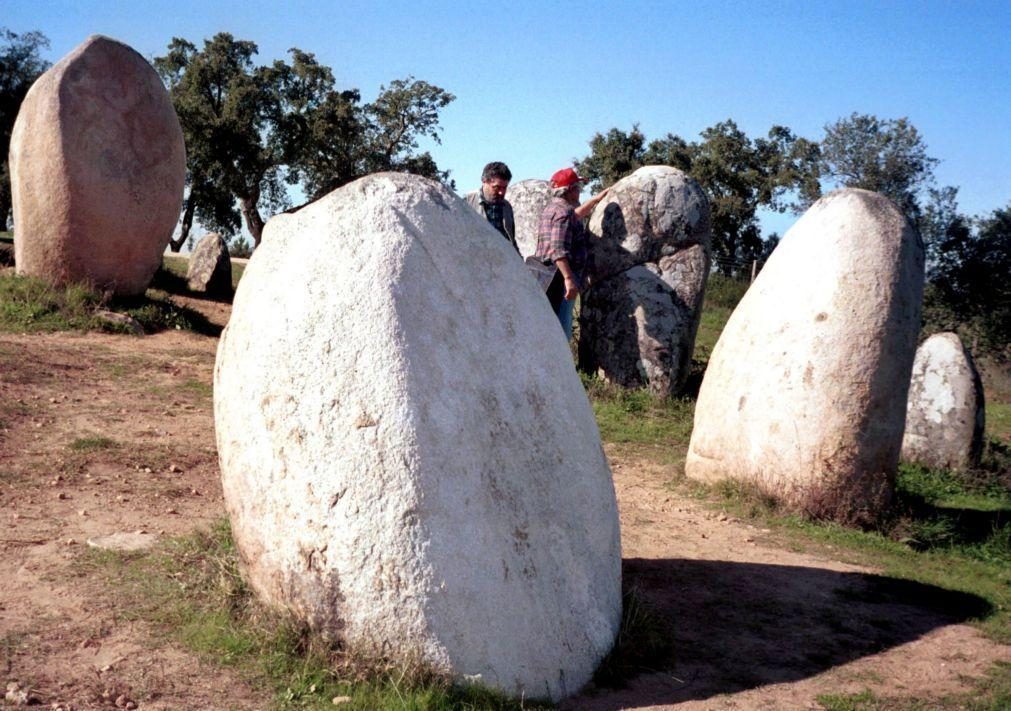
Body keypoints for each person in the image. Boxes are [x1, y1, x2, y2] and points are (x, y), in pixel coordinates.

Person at [534, 167, 609, 338]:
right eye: (578, 188)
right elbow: (558, 249)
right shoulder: (564, 213)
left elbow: (574, 217)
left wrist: (595, 200)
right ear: (569, 190)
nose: (580, 193)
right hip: (559, 278)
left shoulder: (552, 209)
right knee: (562, 329)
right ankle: (561, 364)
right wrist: (569, 279)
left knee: (551, 324)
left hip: (547, 275)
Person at [465, 161, 519, 252]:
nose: (501, 192)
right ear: (484, 181)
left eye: (504, 188)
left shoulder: (507, 207)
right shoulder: (466, 203)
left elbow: (512, 240)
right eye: (496, 187)